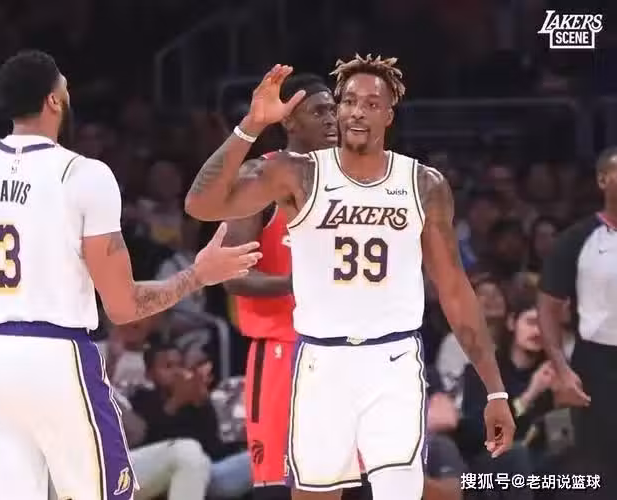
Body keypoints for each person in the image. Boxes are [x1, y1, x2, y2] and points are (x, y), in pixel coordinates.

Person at [0, 50, 262, 500]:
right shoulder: (84, 175)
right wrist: (198, 275)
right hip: (53, 354)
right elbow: (124, 305)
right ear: (54, 100)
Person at [184, 56, 515, 500]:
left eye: (371, 103)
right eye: (349, 101)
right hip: (320, 362)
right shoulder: (296, 174)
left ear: (389, 114)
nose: (357, 112)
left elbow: (455, 290)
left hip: (393, 360)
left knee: (400, 491)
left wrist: (495, 391)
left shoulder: (423, 184)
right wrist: (251, 125)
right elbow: (200, 205)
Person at [222, 73, 338, 500]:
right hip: (282, 352)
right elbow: (231, 274)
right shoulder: (259, 176)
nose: (332, 120)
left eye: (334, 110)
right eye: (318, 112)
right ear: (289, 120)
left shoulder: (354, 182)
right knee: (277, 487)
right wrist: (294, 283)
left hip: (346, 352)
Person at [537, 146, 617, 500]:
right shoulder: (577, 238)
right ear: (602, 180)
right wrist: (561, 368)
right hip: (597, 366)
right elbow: (547, 308)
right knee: (598, 473)